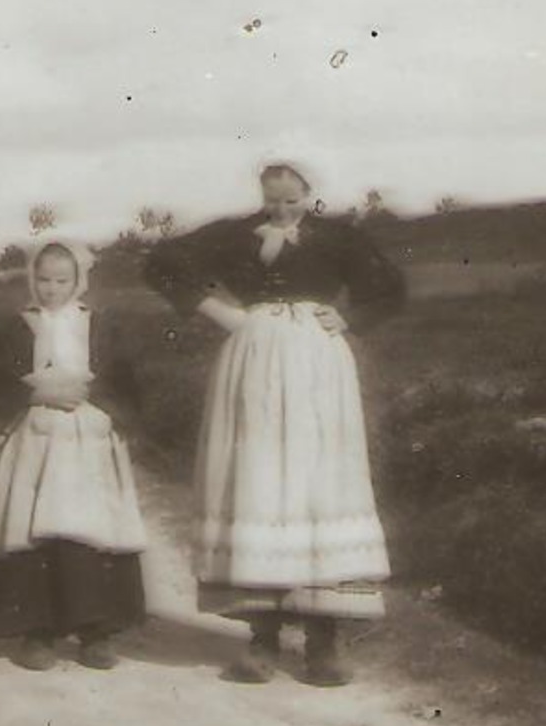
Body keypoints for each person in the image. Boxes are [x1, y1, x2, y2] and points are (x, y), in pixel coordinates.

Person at [144, 163, 405, 685]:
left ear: (311, 193)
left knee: (318, 490)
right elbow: (161, 263)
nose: (282, 209)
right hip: (254, 359)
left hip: (317, 363)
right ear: (261, 195)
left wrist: (350, 318)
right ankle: (261, 640)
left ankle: (322, 644)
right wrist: (222, 313)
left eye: (292, 199)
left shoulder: (340, 237)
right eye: (273, 200)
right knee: (257, 486)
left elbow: (389, 289)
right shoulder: (237, 234)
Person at [0, 240, 148, 672]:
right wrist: (34, 392)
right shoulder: (19, 326)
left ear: (79, 281)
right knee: (34, 529)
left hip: (86, 438)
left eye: (62, 280)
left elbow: (122, 378)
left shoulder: (98, 325)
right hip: (35, 438)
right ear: (31, 280)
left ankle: (95, 632)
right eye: (43, 279)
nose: (52, 289)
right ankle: (37, 632)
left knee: (89, 529)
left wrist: (97, 404)